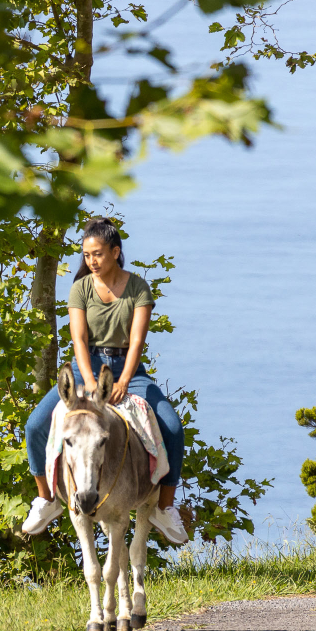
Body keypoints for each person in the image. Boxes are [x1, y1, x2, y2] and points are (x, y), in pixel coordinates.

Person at [21, 217, 190, 543]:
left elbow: (137, 342)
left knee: (172, 426)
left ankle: (165, 508)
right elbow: (79, 340)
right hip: (87, 368)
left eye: (97, 253)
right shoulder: (81, 288)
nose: (91, 261)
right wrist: (87, 381)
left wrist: (124, 380)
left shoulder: (138, 287)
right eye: (86, 255)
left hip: (128, 370)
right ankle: (45, 499)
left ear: (115, 251)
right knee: (34, 425)